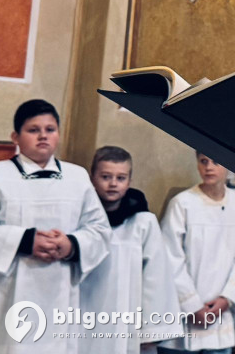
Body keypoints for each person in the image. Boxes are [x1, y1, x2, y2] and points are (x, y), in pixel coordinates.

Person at [0, 100, 112, 354]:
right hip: (9, 290)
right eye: (33, 130)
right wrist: (25, 241)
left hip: (61, 288)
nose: (43, 136)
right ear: (15, 136)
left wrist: (71, 245)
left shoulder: (77, 176)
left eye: (50, 129)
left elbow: (99, 229)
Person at [81, 146, 184, 352]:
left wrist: (151, 330)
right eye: (105, 176)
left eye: (121, 178)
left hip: (127, 315)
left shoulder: (143, 222)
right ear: (92, 178)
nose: (113, 184)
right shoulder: (81, 216)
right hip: (84, 313)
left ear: (130, 181)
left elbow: (156, 276)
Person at [159, 152, 235, 354]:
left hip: (219, 316)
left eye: (216, 162)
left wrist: (226, 299)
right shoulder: (182, 203)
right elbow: (169, 258)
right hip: (183, 315)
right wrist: (193, 305)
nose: (209, 167)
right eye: (203, 161)